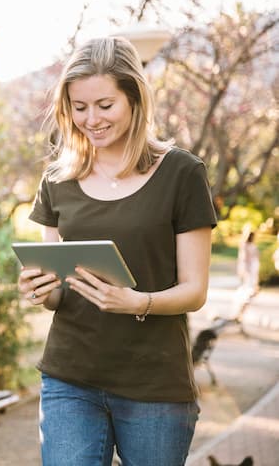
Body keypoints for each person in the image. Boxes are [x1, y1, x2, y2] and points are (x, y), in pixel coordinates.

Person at [17, 36, 217, 466]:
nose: (91, 119)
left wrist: (137, 302)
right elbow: (58, 292)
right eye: (79, 106)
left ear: (134, 98)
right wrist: (40, 288)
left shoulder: (182, 173)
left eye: (105, 105)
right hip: (70, 379)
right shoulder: (57, 179)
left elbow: (195, 290)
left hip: (154, 385)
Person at [236, 224, 260, 295]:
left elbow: (256, 255)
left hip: (253, 264)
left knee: (251, 280)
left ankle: (250, 292)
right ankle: (247, 294)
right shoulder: (245, 245)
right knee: (248, 280)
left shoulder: (251, 245)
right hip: (248, 264)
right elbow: (243, 256)